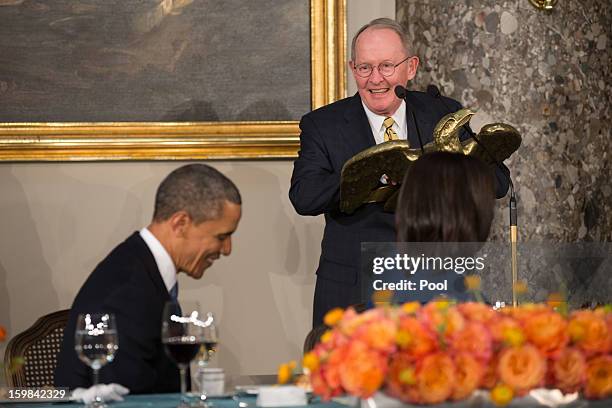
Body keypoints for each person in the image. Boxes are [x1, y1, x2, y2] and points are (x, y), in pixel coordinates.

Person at [289, 18, 509, 327]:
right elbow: (304, 196)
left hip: (435, 284)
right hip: (353, 285)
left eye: (386, 67)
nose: (375, 79)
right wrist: (370, 172)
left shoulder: (440, 111)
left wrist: (456, 162)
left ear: (411, 67)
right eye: (364, 68)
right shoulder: (323, 124)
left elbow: (498, 183)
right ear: (353, 69)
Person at [55, 164, 241, 393]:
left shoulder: (141, 266)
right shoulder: (127, 292)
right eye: (222, 236)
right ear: (180, 223)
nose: (227, 249)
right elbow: (129, 398)